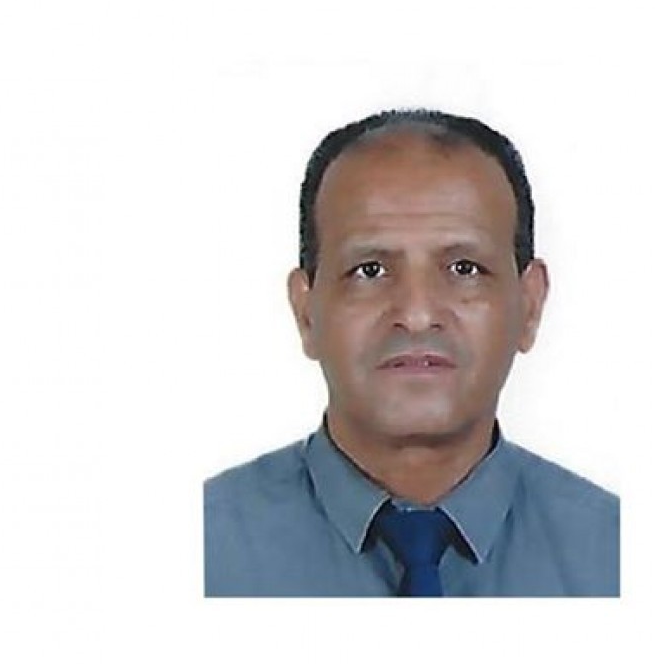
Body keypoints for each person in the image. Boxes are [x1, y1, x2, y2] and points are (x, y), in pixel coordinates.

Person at [204, 108, 620, 597]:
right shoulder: (201, 551)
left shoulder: (617, 557)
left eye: (464, 269)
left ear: (529, 306)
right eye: (370, 271)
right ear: (306, 312)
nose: (418, 314)